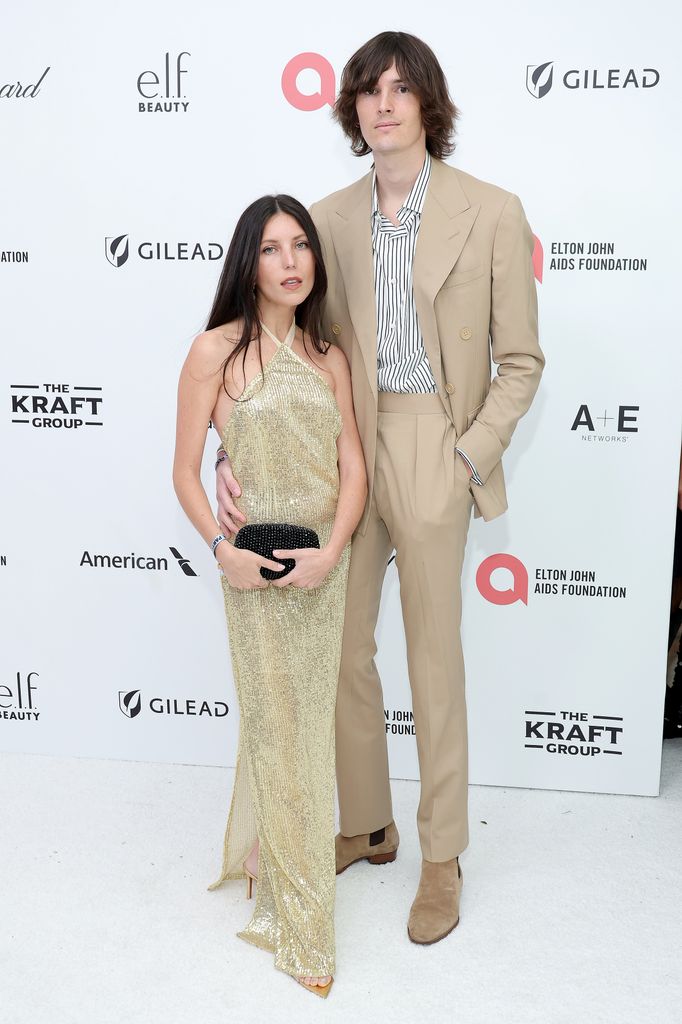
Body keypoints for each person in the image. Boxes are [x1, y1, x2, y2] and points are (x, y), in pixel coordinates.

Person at [216, 32, 544, 946]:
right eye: (369, 90)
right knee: (343, 650)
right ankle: (367, 822)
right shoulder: (325, 218)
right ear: (352, 110)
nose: (385, 103)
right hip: (345, 449)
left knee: (434, 665)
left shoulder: (491, 211)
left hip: (438, 443)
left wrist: (468, 455)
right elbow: (274, 339)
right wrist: (229, 446)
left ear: (428, 104)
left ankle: (443, 858)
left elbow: (520, 361)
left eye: (402, 89)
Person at [173, 194, 367, 996]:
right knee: (275, 724)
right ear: (247, 262)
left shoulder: (329, 354)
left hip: (324, 564)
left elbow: (353, 465)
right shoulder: (212, 352)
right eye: (272, 249)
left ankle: (272, 864)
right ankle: (302, 924)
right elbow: (186, 470)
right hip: (251, 569)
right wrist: (222, 551)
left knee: (306, 734)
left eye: (302, 247)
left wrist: (335, 551)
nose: (291, 263)